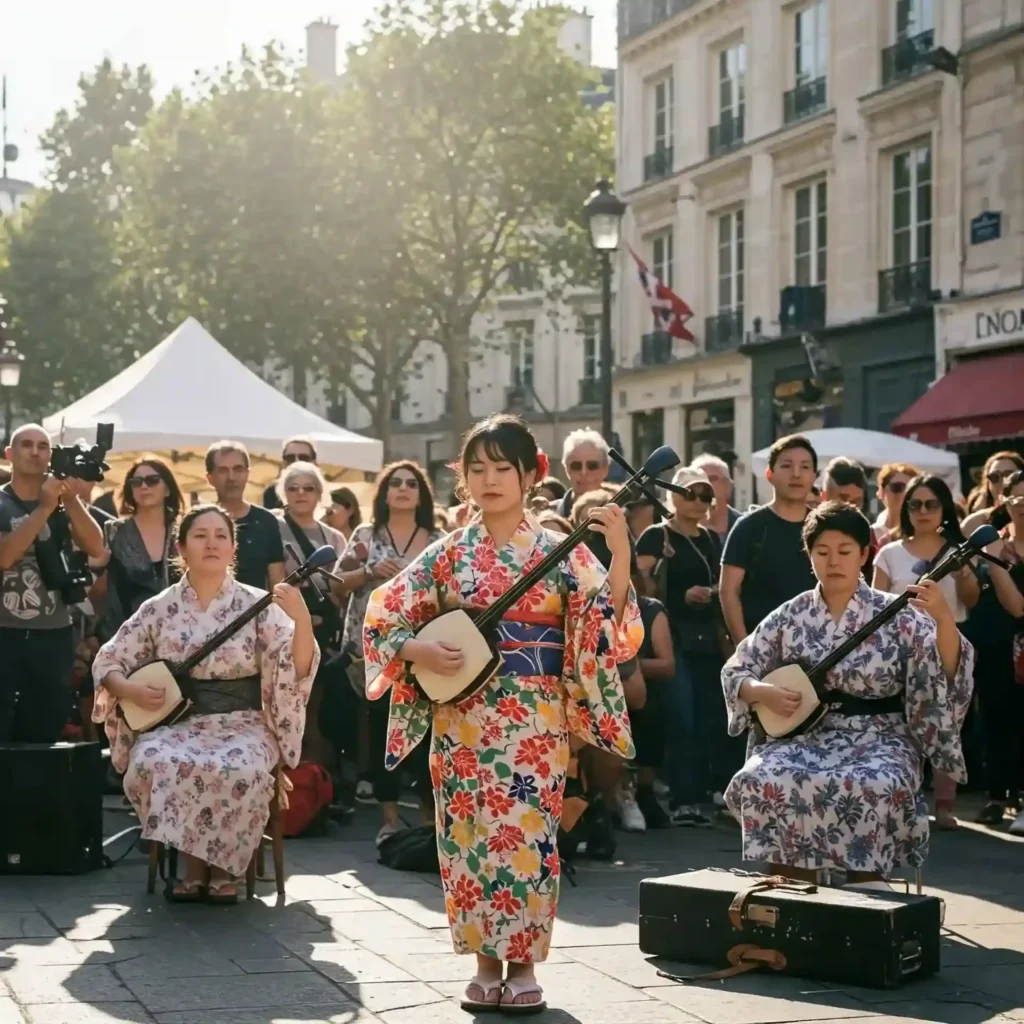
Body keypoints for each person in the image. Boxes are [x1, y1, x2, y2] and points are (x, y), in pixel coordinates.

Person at [362, 414, 641, 1012]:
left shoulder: (559, 551)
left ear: (530, 475)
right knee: (467, 835)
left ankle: (523, 964)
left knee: (527, 837)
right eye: (477, 469)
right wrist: (421, 650)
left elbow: (608, 630)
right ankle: (485, 962)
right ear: (463, 480)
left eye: (502, 468)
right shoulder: (449, 554)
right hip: (461, 713)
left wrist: (618, 552)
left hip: (535, 715)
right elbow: (383, 616)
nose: (489, 480)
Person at [722, 501, 975, 885]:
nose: (833, 561)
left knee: (876, 781)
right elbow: (738, 667)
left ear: (864, 554)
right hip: (804, 734)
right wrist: (761, 691)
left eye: (844, 551)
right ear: (810, 557)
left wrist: (942, 617)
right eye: (822, 552)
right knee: (764, 775)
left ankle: (867, 884)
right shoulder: (791, 614)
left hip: (881, 735)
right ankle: (788, 884)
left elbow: (947, 670)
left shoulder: (898, 612)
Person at [91, 505, 318, 902]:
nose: (211, 543)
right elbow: (110, 659)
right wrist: (129, 691)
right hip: (179, 720)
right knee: (154, 759)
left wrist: (301, 621)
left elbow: (297, 668)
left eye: (220, 536)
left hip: (243, 721)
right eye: (200, 535)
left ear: (233, 548)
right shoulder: (160, 607)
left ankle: (224, 867)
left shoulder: (258, 603)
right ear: (181, 546)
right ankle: (194, 865)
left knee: (241, 765)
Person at [333, 462, 444, 835]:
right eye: (394, 483)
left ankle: (431, 820)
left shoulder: (439, 538)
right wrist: (368, 572)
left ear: (422, 493)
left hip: (426, 647)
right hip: (375, 648)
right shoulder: (366, 534)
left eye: (412, 483)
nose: (403, 488)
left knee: (429, 733)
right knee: (384, 730)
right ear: (383, 492)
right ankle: (390, 820)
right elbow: (335, 586)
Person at [873, 474, 980, 830]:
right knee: (903, 724)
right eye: (915, 504)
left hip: (948, 642)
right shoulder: (889, 552)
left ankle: (945, 805)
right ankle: (907, 799)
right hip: (901, 648)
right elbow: (876, 606)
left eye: (931, 504)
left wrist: (965, 574)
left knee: (948, 721)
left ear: (944, 508)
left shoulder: (958, 549)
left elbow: (972, 602)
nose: (922, 511)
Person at [0, 424, 106, 743]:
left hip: (54, 632)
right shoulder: (3, 503)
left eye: (43, 447)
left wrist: (69, 501)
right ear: (9, 454)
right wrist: (45, 508)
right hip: (5, 631)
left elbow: (97, 547)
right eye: (26, 445)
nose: (35, 452)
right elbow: (5, 557)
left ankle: (34, 793)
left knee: (45, 724)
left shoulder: (61, 503)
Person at [637, 466, 730, 825]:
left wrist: (710, 594)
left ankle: (698, 796)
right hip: (670, 633)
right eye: (691, 492)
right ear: (673, 495)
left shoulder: (710, 539)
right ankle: (681, 799)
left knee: (708, 715)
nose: (699, 501)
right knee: (682, 715)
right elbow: (641, 587)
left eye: (706, 494)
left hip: (705, 634)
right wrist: (680, 595)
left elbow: (722, 584)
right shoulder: (655, 536)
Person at [275, 461, 348, 766]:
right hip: (285, 628)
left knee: (319, 711)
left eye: (308, 488)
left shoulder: (335, 538)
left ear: (320, 493)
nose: (300, 494)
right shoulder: (272, 527)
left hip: (325, 630)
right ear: (284, 493)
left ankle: (320, 785)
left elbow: (342, 587)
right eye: (293, 488)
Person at [720, 434, 818, 644]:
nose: (796, 474)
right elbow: (728, 592)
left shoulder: (823, 527)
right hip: (761, 646)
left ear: (814, 476)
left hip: (816, 645)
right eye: (787, 466)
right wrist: (743, 647)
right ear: (770, 474)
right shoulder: (749, 527)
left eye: (805, 467)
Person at [972, 469, 1024, 833]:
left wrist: (994, 563)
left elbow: (1018, 607)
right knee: (996, 717)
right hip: (996, 641)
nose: (1022, 506)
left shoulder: (995, 553)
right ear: (1003, 502)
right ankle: (997, 795)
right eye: (1016, 499)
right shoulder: (994, 542)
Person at [93, 459, 185, 642]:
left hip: (177, 639)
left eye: (152, 480)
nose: (144, 486)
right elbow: (99, 591)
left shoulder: (184, 534)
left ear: (167, 489)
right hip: (122, 638)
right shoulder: (113, 532)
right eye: (136, 482)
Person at [205, 441, 285, 590]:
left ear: (248, 474)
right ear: (210, 478)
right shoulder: (198, 522)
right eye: (223, 470)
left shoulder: (266, 522)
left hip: (257, 610)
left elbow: (277, 581)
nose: (231, 477)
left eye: (238, 469)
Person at [822, 457, 877, 581]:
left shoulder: (869, 542)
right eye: (843, 498)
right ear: (824, 496)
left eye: (856, 501)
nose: (850, 507)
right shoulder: (803, 536)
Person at [963, 450, 1024, 531]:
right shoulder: (974, 524)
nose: (1002, 481)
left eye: (1009, 475)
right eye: (994, 477)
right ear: (988, 484)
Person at [557, 428, 609, 517]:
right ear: (566, 469)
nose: (584, 472)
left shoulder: (623, 514)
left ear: (605, 469)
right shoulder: (550, 514)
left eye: (592, 466)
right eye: (576, 466)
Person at [690, 453, 740, 540]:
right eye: (698, 480)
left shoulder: (747, 525)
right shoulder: (679, 529)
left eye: (712, 479)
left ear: (728, 486)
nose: (705, 484)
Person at [263, 436, 318, 510]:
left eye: (303, 458)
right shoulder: (272, 492)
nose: (296, 461)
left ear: (313, 461)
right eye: (290, 457)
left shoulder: (324, 492)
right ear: (283, 462)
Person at [872, 462, 919, 545]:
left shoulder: (926, 534)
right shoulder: (869, 534)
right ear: (881, 492)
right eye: (897, 487)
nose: (903, 494)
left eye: (910, 489)